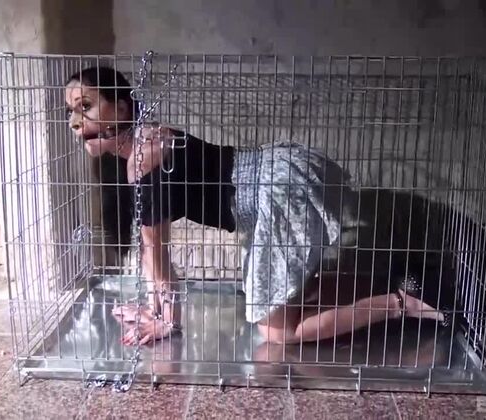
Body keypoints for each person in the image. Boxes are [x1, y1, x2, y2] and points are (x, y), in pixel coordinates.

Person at [64, 66, 457, 346]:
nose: (75, 123)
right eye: (70, 112)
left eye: (86, 107)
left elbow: (156, 251)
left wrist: (166, 320)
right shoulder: (147, 142)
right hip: (274, 178)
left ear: (121, 108)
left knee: (278, 332)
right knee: (297, 292)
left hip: (274, 191)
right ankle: (400, 283)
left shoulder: (144, 157)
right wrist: (156, 308)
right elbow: (153, 252)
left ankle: (402, 303)